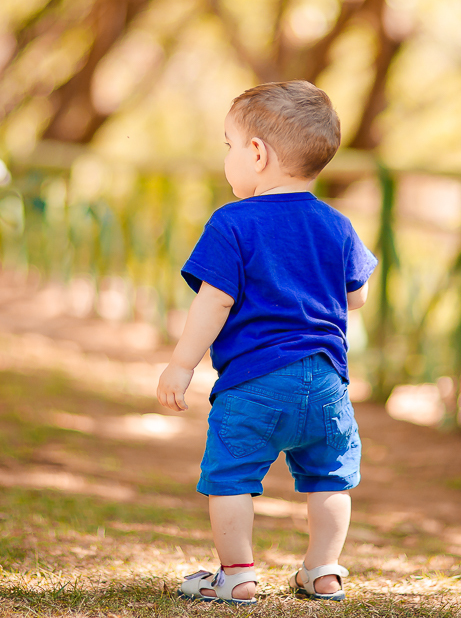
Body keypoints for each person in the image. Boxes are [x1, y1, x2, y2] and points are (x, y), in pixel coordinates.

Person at [156, 80, 377, 605]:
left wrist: (182, 365)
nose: (227, 157)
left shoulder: (231, 222)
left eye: (229, 145)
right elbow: (358, 295)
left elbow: (214, 302)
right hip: (326, 382)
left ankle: (238, 575)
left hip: (253, 383)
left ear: (257, 154)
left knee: (231, 477)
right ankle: (323, 571)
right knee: (330, 477)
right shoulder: (336, 223)